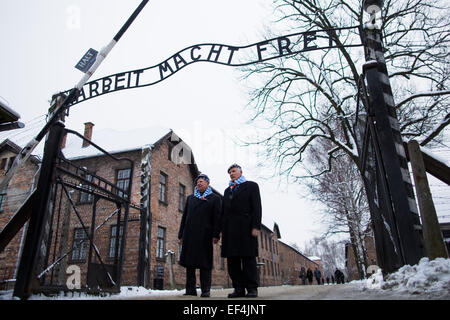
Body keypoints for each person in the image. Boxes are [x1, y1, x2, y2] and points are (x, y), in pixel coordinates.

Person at [220, 164, 262, 298]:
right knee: (232, 261)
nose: (231, 174)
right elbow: (224, 212)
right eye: (229, 172)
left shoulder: (251, 186)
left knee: (248, 258)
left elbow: (257, 207)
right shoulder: (227, 191)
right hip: (230, 230)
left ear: (241, 172)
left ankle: (252, 288)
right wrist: (222, 230)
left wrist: (256, 226)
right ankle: (238, 288)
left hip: (246, 228)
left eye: (234, 171)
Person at [178, 174, 221, 297]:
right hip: (189, 235)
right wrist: (181, 235)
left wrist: (216, 234)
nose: (199, 183)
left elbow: (217, 218)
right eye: (197, 182)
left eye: (201, 181)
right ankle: (190, 290)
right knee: (189, 263)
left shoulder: (215, 198)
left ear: (208, 183)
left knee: (205, 263)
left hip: (205, 235)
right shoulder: (190, 198)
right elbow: (184, 217)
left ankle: (205, 290)